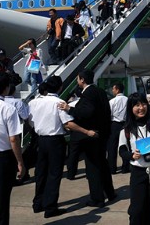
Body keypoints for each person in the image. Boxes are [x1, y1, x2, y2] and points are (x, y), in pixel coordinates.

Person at [28, 76, 98, 218]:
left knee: (41, 173)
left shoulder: (33, 102)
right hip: (55, 141)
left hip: (40, 139)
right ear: (60, 88)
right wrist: (86, 131)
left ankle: (38, 203)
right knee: (54, 174)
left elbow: (30, 121)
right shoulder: (58, 102)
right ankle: (50, 207)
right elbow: (67, 124)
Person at [58, 69, 115, 207]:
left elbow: (86, 112)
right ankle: (110, 193)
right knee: (103, 164)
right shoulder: (100, 91)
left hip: (92, 136)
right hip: (103, 133)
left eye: (78, 79)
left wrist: (69, 109)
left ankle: (97, 199)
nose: (77, 81)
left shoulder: (88, 94)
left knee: (93, 168)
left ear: (82, 79)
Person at [118, 93, 150, 225]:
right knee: (137, 209)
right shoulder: (126, 129)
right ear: (131, 108)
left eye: (143, 104)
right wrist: (131, 155)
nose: (141, 108)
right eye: (137, 105)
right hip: (138, 172)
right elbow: (122, 150)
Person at [0, 73, 26, 225]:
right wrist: (20, 162)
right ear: (6, 89)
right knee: (0, 198)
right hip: (1, 159)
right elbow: (13, 138)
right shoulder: (8, 109)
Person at [108, 83, 130, 174]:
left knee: (112, 147)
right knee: (125, 146)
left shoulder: (112, 101)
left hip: (114, 125)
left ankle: (112, 169)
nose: (112, 91)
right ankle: (125, 168)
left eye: (113, 89)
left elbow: (109, 114)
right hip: (125, 125)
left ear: (117, 89)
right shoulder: (128, 100)